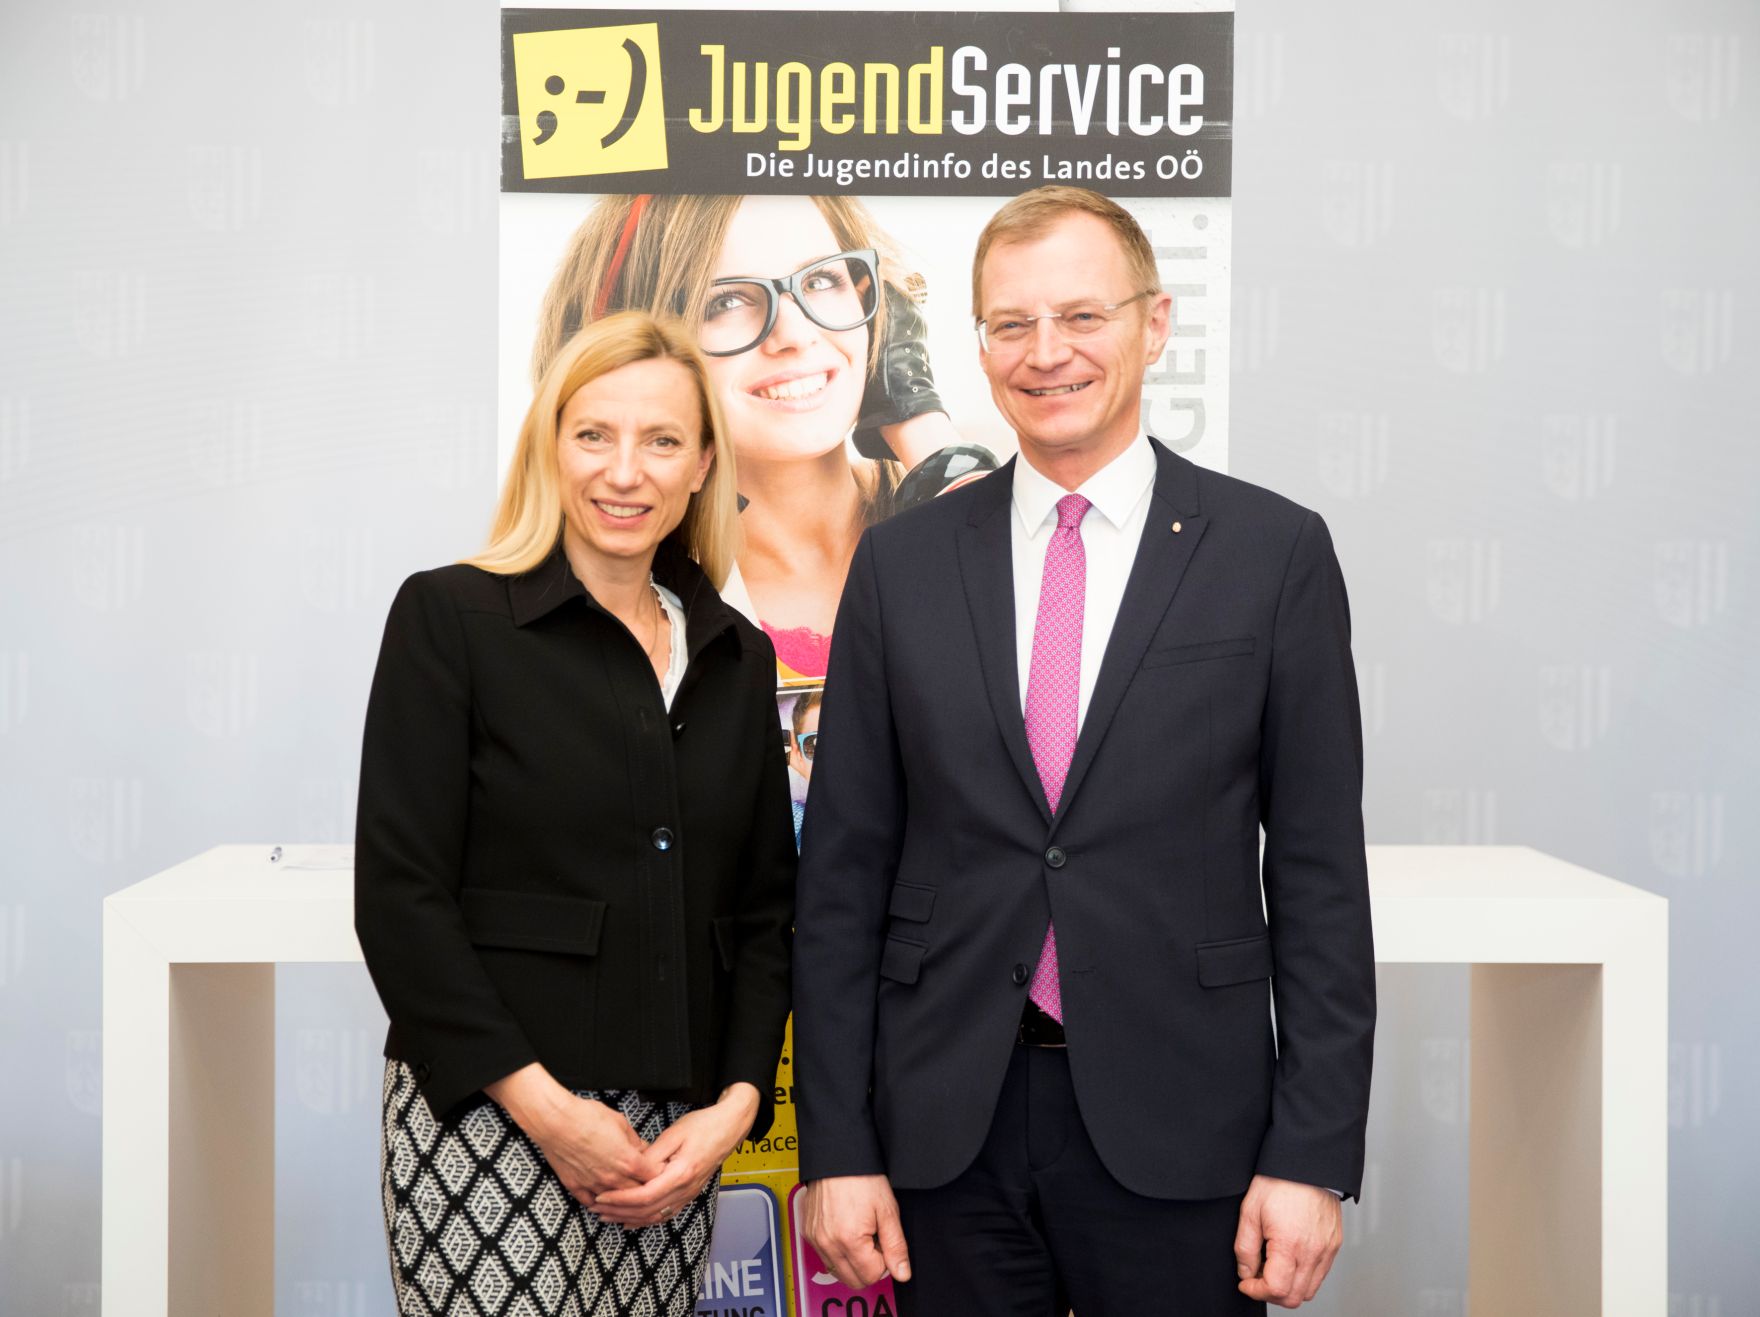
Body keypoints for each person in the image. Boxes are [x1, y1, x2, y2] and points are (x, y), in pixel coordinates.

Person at [793, 186, 1376, 1314]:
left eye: (1081, 317)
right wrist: (837, 1146)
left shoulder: (1272, 554)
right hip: (940, 1128)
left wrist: (1309, 1155)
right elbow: (842, 878)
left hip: (1183, 1121)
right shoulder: (900, 567)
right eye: (1010, 324)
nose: (1044, 352)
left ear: (1153, 324)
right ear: (977, 344)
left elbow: (1316, 881)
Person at [355, 311, 796, 1317]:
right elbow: (400, 900)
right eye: (593, 434)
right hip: (493, 1121)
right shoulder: (450, 620)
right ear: (548, 447)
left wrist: (732, 1111)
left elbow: (766, 910)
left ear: (702, 467)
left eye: (661, 441)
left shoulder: (735, 656)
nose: (623, 471)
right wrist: (550, 1114)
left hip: (673, 1146)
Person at [532, 193, 993, 683]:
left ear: (882, 313)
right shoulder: (611, 597)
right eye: (725, 301)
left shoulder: (1010, 474)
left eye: (821, 280)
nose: (794, 332)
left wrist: (925, 432)